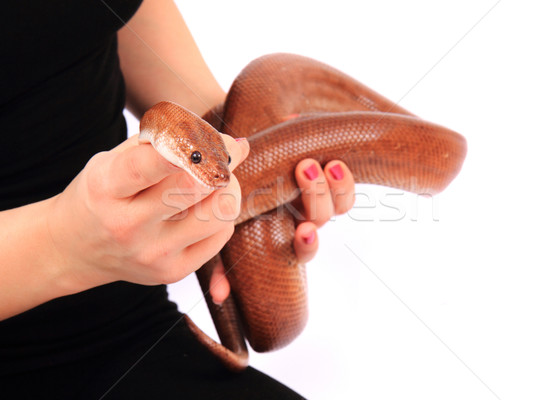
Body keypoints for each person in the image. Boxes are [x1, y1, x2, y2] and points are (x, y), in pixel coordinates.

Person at [0, 0, 356, 398]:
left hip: (134, 327)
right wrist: (62, 243)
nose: (215, 177)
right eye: (199, 161)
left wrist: (229, 131)